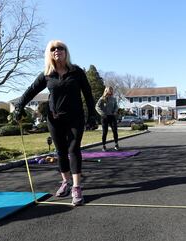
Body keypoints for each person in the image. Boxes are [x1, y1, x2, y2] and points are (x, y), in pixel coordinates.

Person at [13, 40, 96, 206]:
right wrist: (19, 106)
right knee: (61, 151)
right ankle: (65, 182)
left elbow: (88, 94)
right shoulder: (47, 74)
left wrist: (92, 115)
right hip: (54, 119)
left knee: (73, 149)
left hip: (75, 118)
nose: (57, 50)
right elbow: (30, 91)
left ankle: (77, 187)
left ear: (66, 52)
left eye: (60, 48)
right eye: (53, 48)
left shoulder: (76, 71)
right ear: (49, 53)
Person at [95, 86, 119, 151]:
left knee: (115, 131)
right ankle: (104, 146)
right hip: (104, 117)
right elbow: (97, 107)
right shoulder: (102, 99)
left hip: (112, 116)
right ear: (106, 90)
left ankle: (116, 144)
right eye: (109, 90)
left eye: (111, 90)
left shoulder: (113, 99)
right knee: (105, 132)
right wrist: (102, 114)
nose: (111, 91)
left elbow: (116, 106)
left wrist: (115, 111)